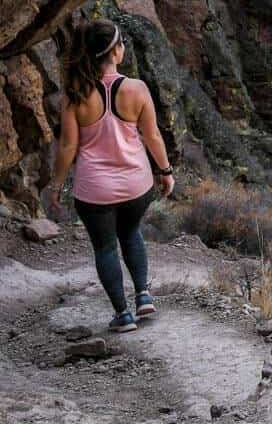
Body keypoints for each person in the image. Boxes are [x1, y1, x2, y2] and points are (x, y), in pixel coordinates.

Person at [47, 20, 175, 333]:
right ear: (115, 51)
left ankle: (123, 314)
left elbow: (67, 146)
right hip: (137, 184)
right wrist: (165, 171)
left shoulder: (74, 96)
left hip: (94, 191)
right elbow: (153, 136)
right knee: (131, 232)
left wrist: (56, 184)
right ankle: (143, 295)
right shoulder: (137, 89)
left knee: (105, 248)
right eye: (122, 44)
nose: (124, 49)